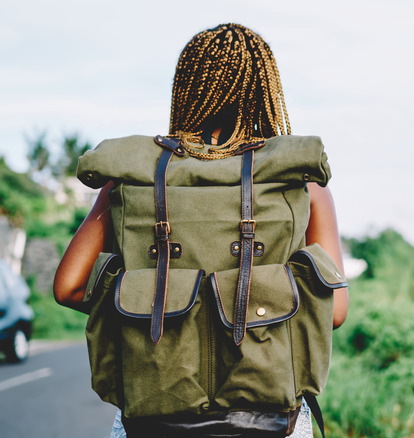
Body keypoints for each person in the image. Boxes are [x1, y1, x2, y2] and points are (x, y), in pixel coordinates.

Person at [53, 23, 348, 438]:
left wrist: (150, 304)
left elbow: (68, 287)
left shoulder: (132, 182)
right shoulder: (300, 186)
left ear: (186, 91)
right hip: (268, 419)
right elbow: (334, 311)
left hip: (153, 416)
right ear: (265, 90)